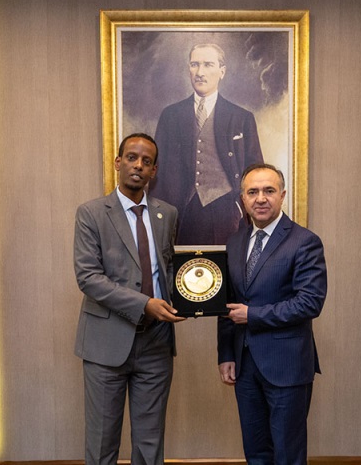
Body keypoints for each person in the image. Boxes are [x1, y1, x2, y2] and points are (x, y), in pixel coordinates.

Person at [73, 133, 185, 465]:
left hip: (156, 343)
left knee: (150, 445)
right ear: (118, 162)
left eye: (146, 161)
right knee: (102, 444)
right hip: (106, 344)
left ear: (154, 171)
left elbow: (167, 267)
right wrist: (143, 304)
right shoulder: (91, 213)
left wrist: (190, 300)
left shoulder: (168, 214)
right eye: (132, 158)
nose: (138, 165)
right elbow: (88, 277)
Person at [217, 163, 328, 465]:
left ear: (282, 195)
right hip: (244, 366)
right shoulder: (235, 242)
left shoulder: (304, 241)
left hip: (286, 365)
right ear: (243, 198)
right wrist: (226, 354)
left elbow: (309, 303)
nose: (261, 198)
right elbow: (228, 303)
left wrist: (253, 315)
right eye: (253, 192)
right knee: (255, 452)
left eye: (269, 190)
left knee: (288, 454)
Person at [151, 43, 264, 245]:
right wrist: (158, 218)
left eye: (208, 64)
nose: (200, 72)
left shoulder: (241, 118)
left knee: (227, 265)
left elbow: (257, 173)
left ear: (222, 71)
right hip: (180, 213)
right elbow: (157, 173)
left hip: (226, 214)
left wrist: (244, 210)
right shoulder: (170, 115)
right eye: (194, 64)